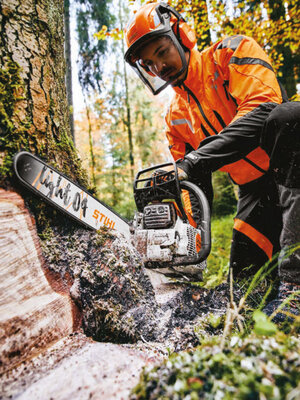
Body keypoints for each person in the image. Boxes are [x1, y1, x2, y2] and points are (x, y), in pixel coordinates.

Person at [124, 2, 300, 322]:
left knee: (289, 117)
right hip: (255, 192)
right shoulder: (175, 117)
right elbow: (190, 186)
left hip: (290, 170)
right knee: (243, 293)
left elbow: (263, 109)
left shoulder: (232, 53)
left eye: (162, 52)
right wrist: (191, 239)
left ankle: (295, 288)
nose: (158, 66)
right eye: (149, 63)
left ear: (183, 36)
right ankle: (272, 290)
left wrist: (195, 159)